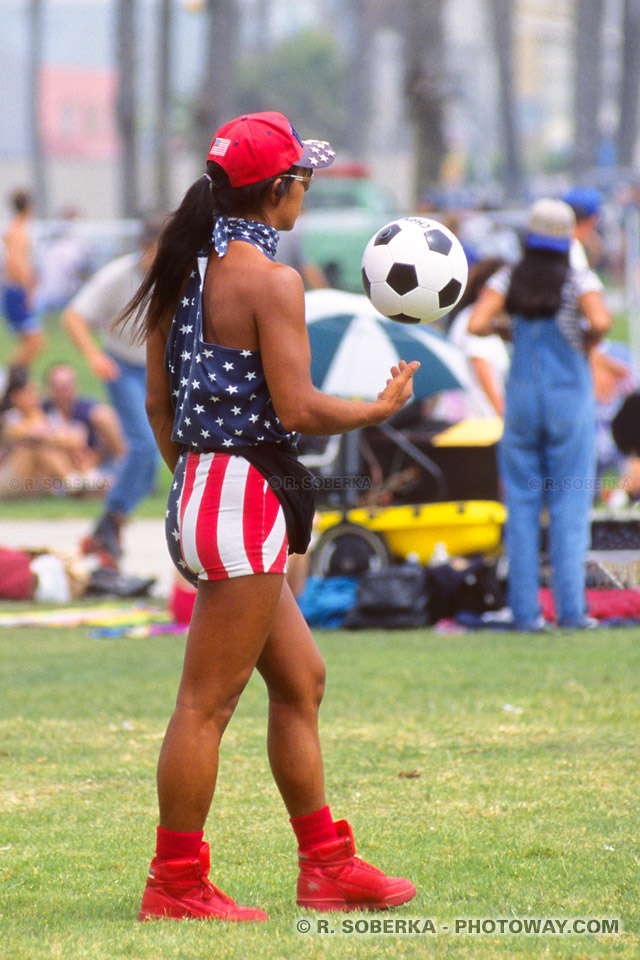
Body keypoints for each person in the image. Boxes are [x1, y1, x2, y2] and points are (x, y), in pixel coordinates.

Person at [118, 110, 419, 922]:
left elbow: (157, 403)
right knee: (205, 704)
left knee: (302, 681)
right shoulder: (271, 280)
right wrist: (376, 408)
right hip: (242, 500)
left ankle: (327, 867)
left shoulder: (178, 265)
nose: (307, 193)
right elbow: (299, 408)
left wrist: (199, 483)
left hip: (208, 492)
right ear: (278, 190)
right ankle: (175, 884)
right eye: (304, 180)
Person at [468, 198, 611, 630]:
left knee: (522, 507)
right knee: (570, 505)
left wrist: (506, 328)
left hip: (523, 403)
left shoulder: (509, 278)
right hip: (568, 400)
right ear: (569, 236)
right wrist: (584, 340)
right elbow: (601, 322)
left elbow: (476, 324)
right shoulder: (577, 278)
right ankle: (571, 611)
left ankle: (526, 614)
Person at [61, 217, 164, 567]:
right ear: (146, 247)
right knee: (142, 445)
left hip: (157, 368)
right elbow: (73, 316)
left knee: (156, 453)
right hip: (123, 367)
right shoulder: (116, 276)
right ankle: (113, 520)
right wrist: (94, 356)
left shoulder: (175, 275)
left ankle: (108, 527)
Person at [0, 365, 97, 498]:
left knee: (53, 447)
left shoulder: (45, 417)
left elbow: (75, 439)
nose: (35, 396)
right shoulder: (11, 418)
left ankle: (77, 482)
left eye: (35, 391)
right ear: (16, 397)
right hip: (9, 481)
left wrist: (47, 436)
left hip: (36, 482)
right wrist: (48, 436)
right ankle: (76, 483)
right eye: (29, 392)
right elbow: (16, 433)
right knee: (31, 446)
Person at [434, 256, 510, 421]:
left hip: (469, 419)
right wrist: (503, 413)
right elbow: (480, 365)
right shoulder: (477, 319)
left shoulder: (468, 317)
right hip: (474, 422)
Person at [43, 363, 126, 482]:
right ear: (49, 388)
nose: (63, 392)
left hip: (97, 463)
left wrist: (95, 458)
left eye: (66, 386)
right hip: (63, 465)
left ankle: (127, 469)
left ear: (75, 387)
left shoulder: (89, 410)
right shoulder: (42, 410)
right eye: (58, 387)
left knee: (104, 417)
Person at [2, 189, 44, 367]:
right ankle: (9, 380)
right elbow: (14, 263)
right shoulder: (18, 232)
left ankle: (20, 382)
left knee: (27, 343)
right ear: (28, 206)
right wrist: (27, 289)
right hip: (17, 291)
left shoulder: (15, 229)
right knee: (35, 343)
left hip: (16, 290)